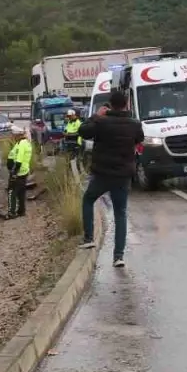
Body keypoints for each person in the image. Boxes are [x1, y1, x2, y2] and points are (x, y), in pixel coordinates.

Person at [77, 88, 143, 268]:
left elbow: (83, 131)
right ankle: (118, 256)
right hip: (123, 176)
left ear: (110, 105)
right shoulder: (134, 124)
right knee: (120, 212)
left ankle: (89, 238)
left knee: (88, 200)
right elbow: (139, 139)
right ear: (126, 105)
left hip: (102, 174)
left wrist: (96, 116)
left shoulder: (101, 122)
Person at [6, 126, 33, 219]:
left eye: (13, 135)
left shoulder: (22, 144)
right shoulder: (25, 143)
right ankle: (21, 211)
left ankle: (11, 213)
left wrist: (14, 173)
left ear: (17, 135)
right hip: (23, 171)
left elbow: (19, 161)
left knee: (12, 192)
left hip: (18, 172)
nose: (12, 136)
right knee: (21, 192)